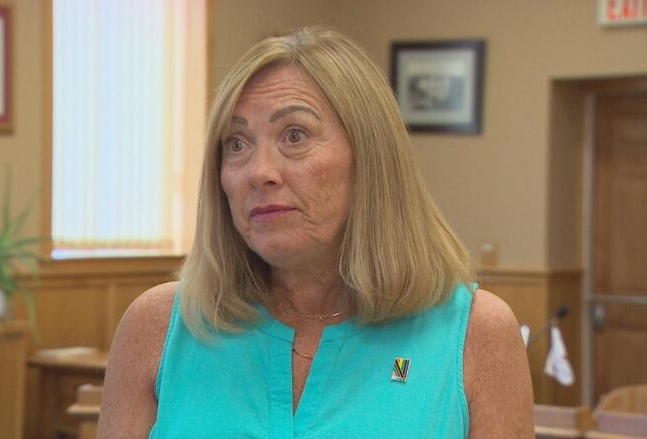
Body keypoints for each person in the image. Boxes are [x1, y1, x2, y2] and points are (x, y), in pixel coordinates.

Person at [98, 27, 533, 438]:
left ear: (370, 157)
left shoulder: (476, 334)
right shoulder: (160, 326)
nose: (259, 172)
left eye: (295, 135)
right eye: (237, 143)